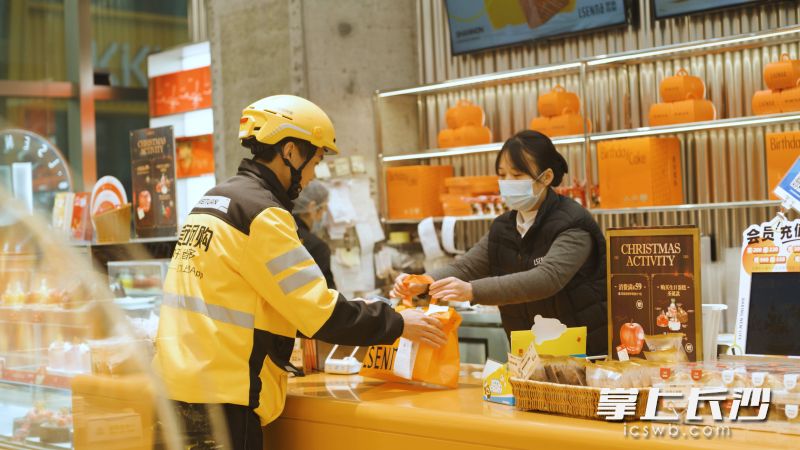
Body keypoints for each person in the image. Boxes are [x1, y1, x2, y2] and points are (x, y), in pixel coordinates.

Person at [153, 95, 446, 450]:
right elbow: (318, 314)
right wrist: (398, 323)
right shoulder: (262, 214)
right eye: (316, 160)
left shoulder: (211, 201)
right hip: (224, 400)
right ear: (290, 151)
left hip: (173, 391)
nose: (313, 175)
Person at [392, 130, 608, 356]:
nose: (507, 183)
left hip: (584, 352)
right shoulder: (504, 227)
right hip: (530, 355)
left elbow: (548, 278)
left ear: (546, 177)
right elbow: (466, 266)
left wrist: (472, 290)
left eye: (517, 175)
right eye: (502, 175)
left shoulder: (573, 223)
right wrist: (424, 282)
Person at [292, 180, 335, 289]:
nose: (324, 215)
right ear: (312, 207)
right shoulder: (317, 247)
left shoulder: (284, 232)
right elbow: (327, 295)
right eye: (324, 208)